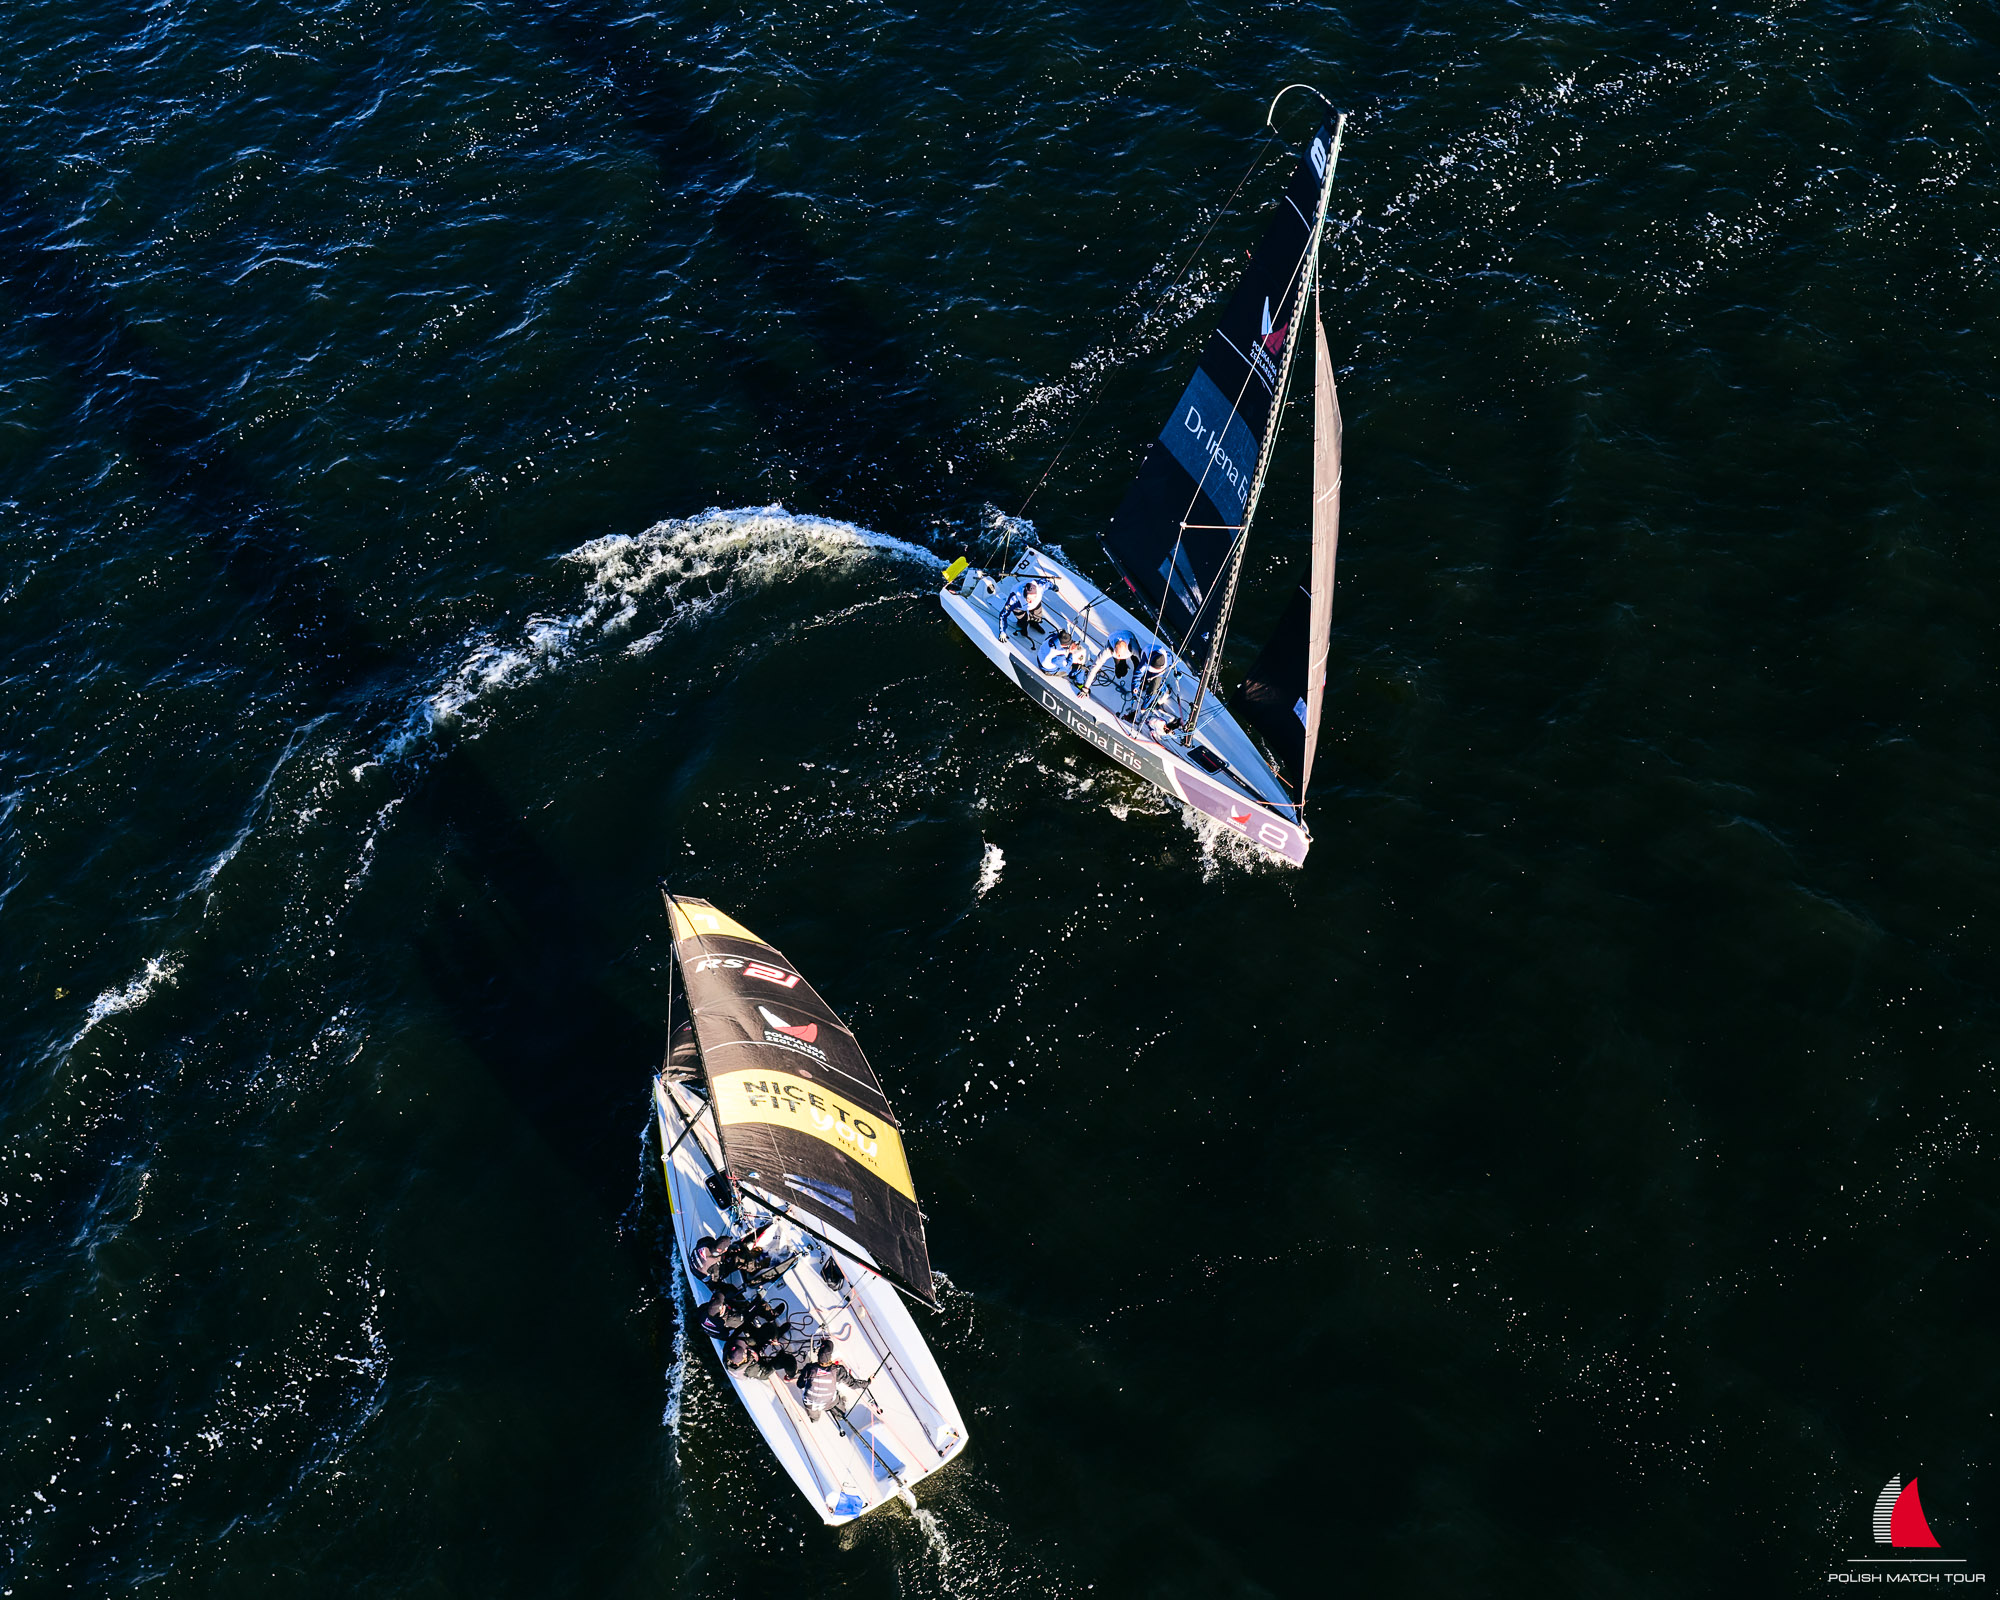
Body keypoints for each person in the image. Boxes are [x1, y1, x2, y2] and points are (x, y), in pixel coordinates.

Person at [797, 1339, 867, 1421]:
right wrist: (868, 1382)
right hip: (829, 1403)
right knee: (837, 1400)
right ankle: (840, 1415)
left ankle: (814, 1418)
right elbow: (853, 1384)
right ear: (830, 1357)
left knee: (812, 1409)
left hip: (811, 1404)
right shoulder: (837, 1370)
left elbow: (800, 1385)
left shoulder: (809, 1368)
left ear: (818, 1355)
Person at [1078, 630, 1142, 698]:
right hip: (1115, 638)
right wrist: (1086, 688)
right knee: (1120, 672)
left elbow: (1143, 661)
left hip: (1128, 636)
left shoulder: (1133, 647)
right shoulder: (1108, 649)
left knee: (1137, 664)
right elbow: (1095, 667)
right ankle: (1122, 667)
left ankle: (1142, 681)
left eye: (1121, 656)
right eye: (1118, 656)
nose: (1120, 657)